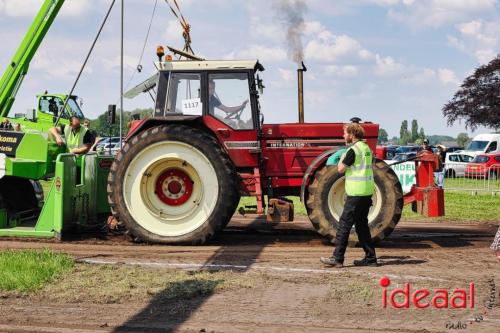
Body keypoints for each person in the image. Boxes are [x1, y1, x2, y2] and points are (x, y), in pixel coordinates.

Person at [320, 123, 377, 268]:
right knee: (362, 226)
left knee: (344, 225)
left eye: (345, 133)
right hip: (366, 193)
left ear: (352, 134)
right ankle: (370, 258)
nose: (343, 135)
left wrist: (343, 155)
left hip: (355, 193)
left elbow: (340, 169)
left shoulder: (352, 150)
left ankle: (337, 258)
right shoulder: (367, 149)